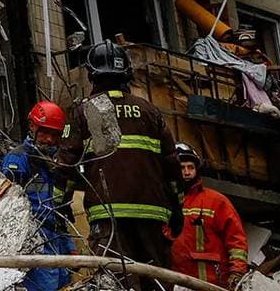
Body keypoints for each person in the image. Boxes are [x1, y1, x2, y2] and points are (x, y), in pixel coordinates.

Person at [55, 40, 179, 272]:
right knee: (155, 281)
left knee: (114, 280)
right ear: (127, 74)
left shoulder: (86, 110)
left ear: (92, 75)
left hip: (108, 216)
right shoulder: (151, 111)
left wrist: (60, 204)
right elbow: (172, 165)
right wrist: (177, 208)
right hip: (152, 214)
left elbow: (65, 165)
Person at [1, 101, 74, 291]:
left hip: (55, 244)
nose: (49, 140)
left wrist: (69, 246)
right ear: (32, 127)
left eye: (55, 135)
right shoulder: (17, 159)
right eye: (44, 132)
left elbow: (58, 210)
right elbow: (6, 209)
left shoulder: (55, 165)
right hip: (33, 245)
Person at [170, 143, 248, 288]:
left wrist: (237, 271)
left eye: (191, 167)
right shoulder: (166, 202)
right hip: (177, 281)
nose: (186, 172)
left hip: (212, 282)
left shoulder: (216, 201)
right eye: (182, 168)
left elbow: (236, 239)